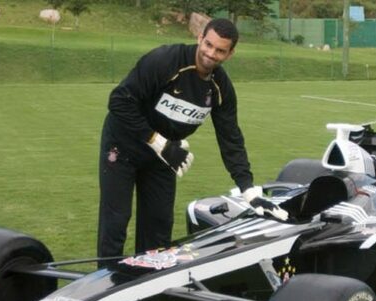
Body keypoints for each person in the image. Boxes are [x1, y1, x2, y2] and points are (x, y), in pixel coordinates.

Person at [97, 18, 287, 262]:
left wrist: (248, 190)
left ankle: (146, 283)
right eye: (208, 44)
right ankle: (107, 282)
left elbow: (230, 137)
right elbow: (118, 101)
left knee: (158, 229)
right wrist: (158, 142)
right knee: (115, 221)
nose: (211, 53)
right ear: (200, 38)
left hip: (164, 156)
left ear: (230, 54)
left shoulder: (221, 88)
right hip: (123, 146)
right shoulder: (165, 60)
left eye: (220, 50)